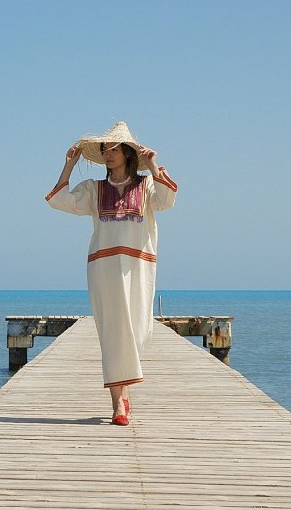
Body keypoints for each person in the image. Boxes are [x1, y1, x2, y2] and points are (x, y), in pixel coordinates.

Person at [45, 121, 178, 426]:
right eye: (106, 147)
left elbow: (167, 200)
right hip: (103, 267)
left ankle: (125, 390)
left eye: (115, 147)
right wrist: (69, 166)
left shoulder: (145, 186)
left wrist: (154, 165)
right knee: (112, 331)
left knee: (137, 330)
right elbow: (59, 201)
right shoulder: (95, 188)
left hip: (139, 266)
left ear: (129, 153)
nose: (108, 152)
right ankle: (118, 403)